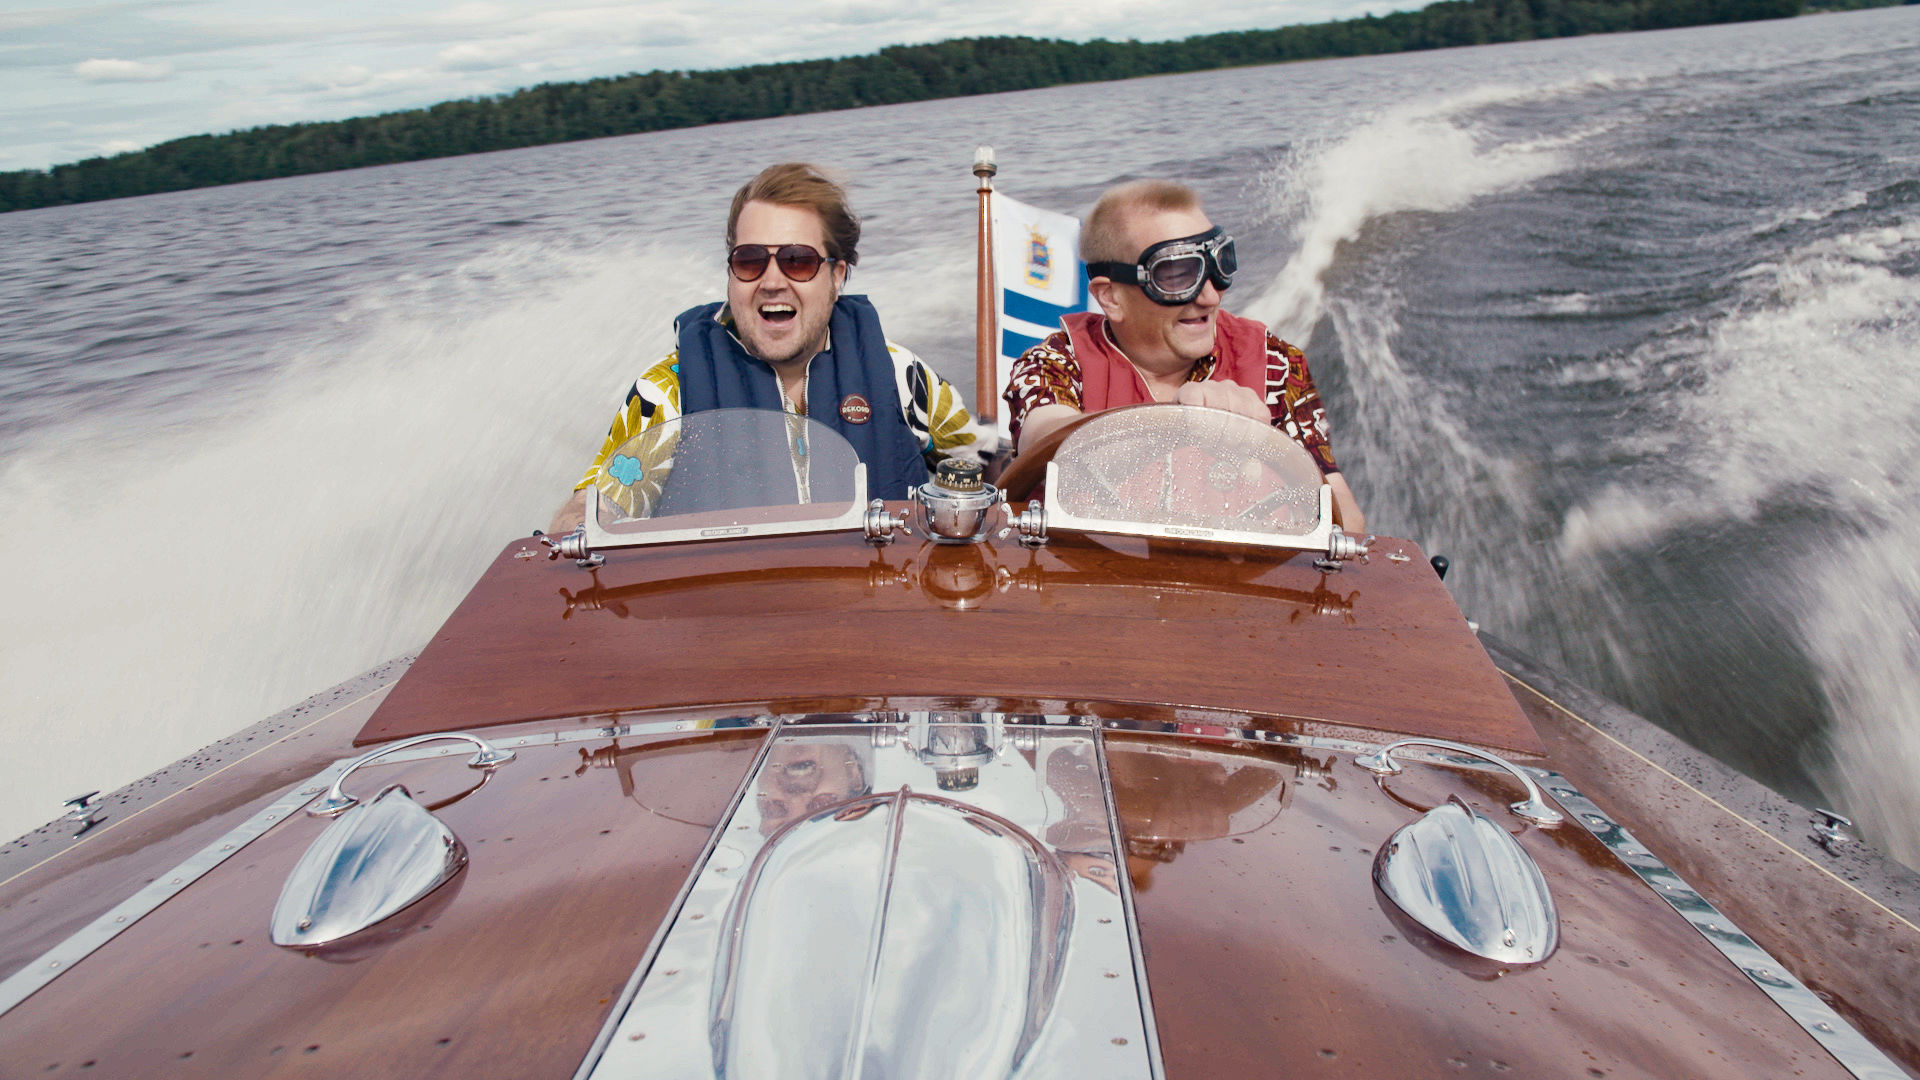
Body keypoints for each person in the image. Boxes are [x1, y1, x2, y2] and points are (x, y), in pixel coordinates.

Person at [553, 163, 985, 532]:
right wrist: (579, 523)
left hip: (878, 599)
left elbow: (983, 464)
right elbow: (591, 513)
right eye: (750, 261)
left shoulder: (900, 375)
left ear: (837, 276)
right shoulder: (667, 393)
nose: (772, 281)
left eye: (798, 261)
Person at [1002, 180, 1365, 532]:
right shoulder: (1056, 363)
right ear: (1111, 297)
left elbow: (1346, 520)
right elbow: (1045, 437)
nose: (1210, 296)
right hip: (1090, 571)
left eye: (1220, 263)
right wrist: (1175, 423)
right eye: (1177, 275)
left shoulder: (1275, 364)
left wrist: (1270, 447)